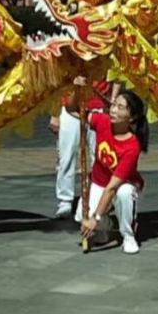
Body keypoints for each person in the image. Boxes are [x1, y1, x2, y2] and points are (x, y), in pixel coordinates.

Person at [70, 80, 149, 255]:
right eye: (114, 105)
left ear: (132, 117)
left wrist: (95, 218)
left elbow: (112, 187)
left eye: (120, 108)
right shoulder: (102, 121)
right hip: (99, 181)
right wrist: (77, 90)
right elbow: (73, 110)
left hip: (121, 185)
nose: (113, 110)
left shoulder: (132, 146)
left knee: (124, 194)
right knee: (81, 216)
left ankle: (128, 235)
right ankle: (104, 227)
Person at [50, 79, 117, 218]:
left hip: (99, 105)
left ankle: (98, 197)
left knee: (100, 156)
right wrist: (55, 112)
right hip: (69, 105)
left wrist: (113, 101)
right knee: (66, 156)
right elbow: (57, 79)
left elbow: (117, 75)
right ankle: (65, 200)